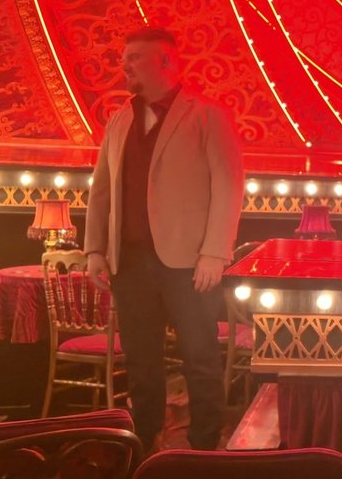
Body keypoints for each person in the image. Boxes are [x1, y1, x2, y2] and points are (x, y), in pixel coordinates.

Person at [85, 28, 243, 452]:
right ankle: (144, 439)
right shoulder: (120, 119)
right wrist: (95, 249)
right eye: (125, 58)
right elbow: (102, 190)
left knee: (200, 356)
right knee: (140, 359)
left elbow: (229, 184)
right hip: (130, 260)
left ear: (167, 62)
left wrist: (215, 252)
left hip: (188, 260)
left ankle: (205, 443)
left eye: (135, 57)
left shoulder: (206, 114)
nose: (125, 65)